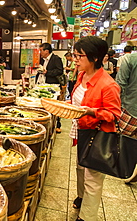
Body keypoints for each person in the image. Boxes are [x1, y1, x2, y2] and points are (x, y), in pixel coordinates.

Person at [69, 36, 121, 221]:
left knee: (93, 179)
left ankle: (87, 217)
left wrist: (91, 111)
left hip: (98, 135)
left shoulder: (108, 85)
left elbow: (114, 115)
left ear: (95, 58)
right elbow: (76, 99)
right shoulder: (82, 74)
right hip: (82, 131)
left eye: (79, 55)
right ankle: (82, 197)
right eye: (74, 55)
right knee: (80, 168)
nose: (75, 59)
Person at [116, 52, 137, 183]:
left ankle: (127, 169)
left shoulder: (130, 59)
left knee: (124, 141)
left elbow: (120, 85)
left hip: (131, 108)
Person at [38, 43, 64, 133]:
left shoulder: (56, 59)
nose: (40, 52)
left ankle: (58, 125)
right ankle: (47, 124)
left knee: (55, 106)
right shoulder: (42, 60)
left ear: (47, 51)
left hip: (53, 85)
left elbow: (60, 71)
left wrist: (47, 72)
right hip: (43, 84)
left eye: (41, 50)